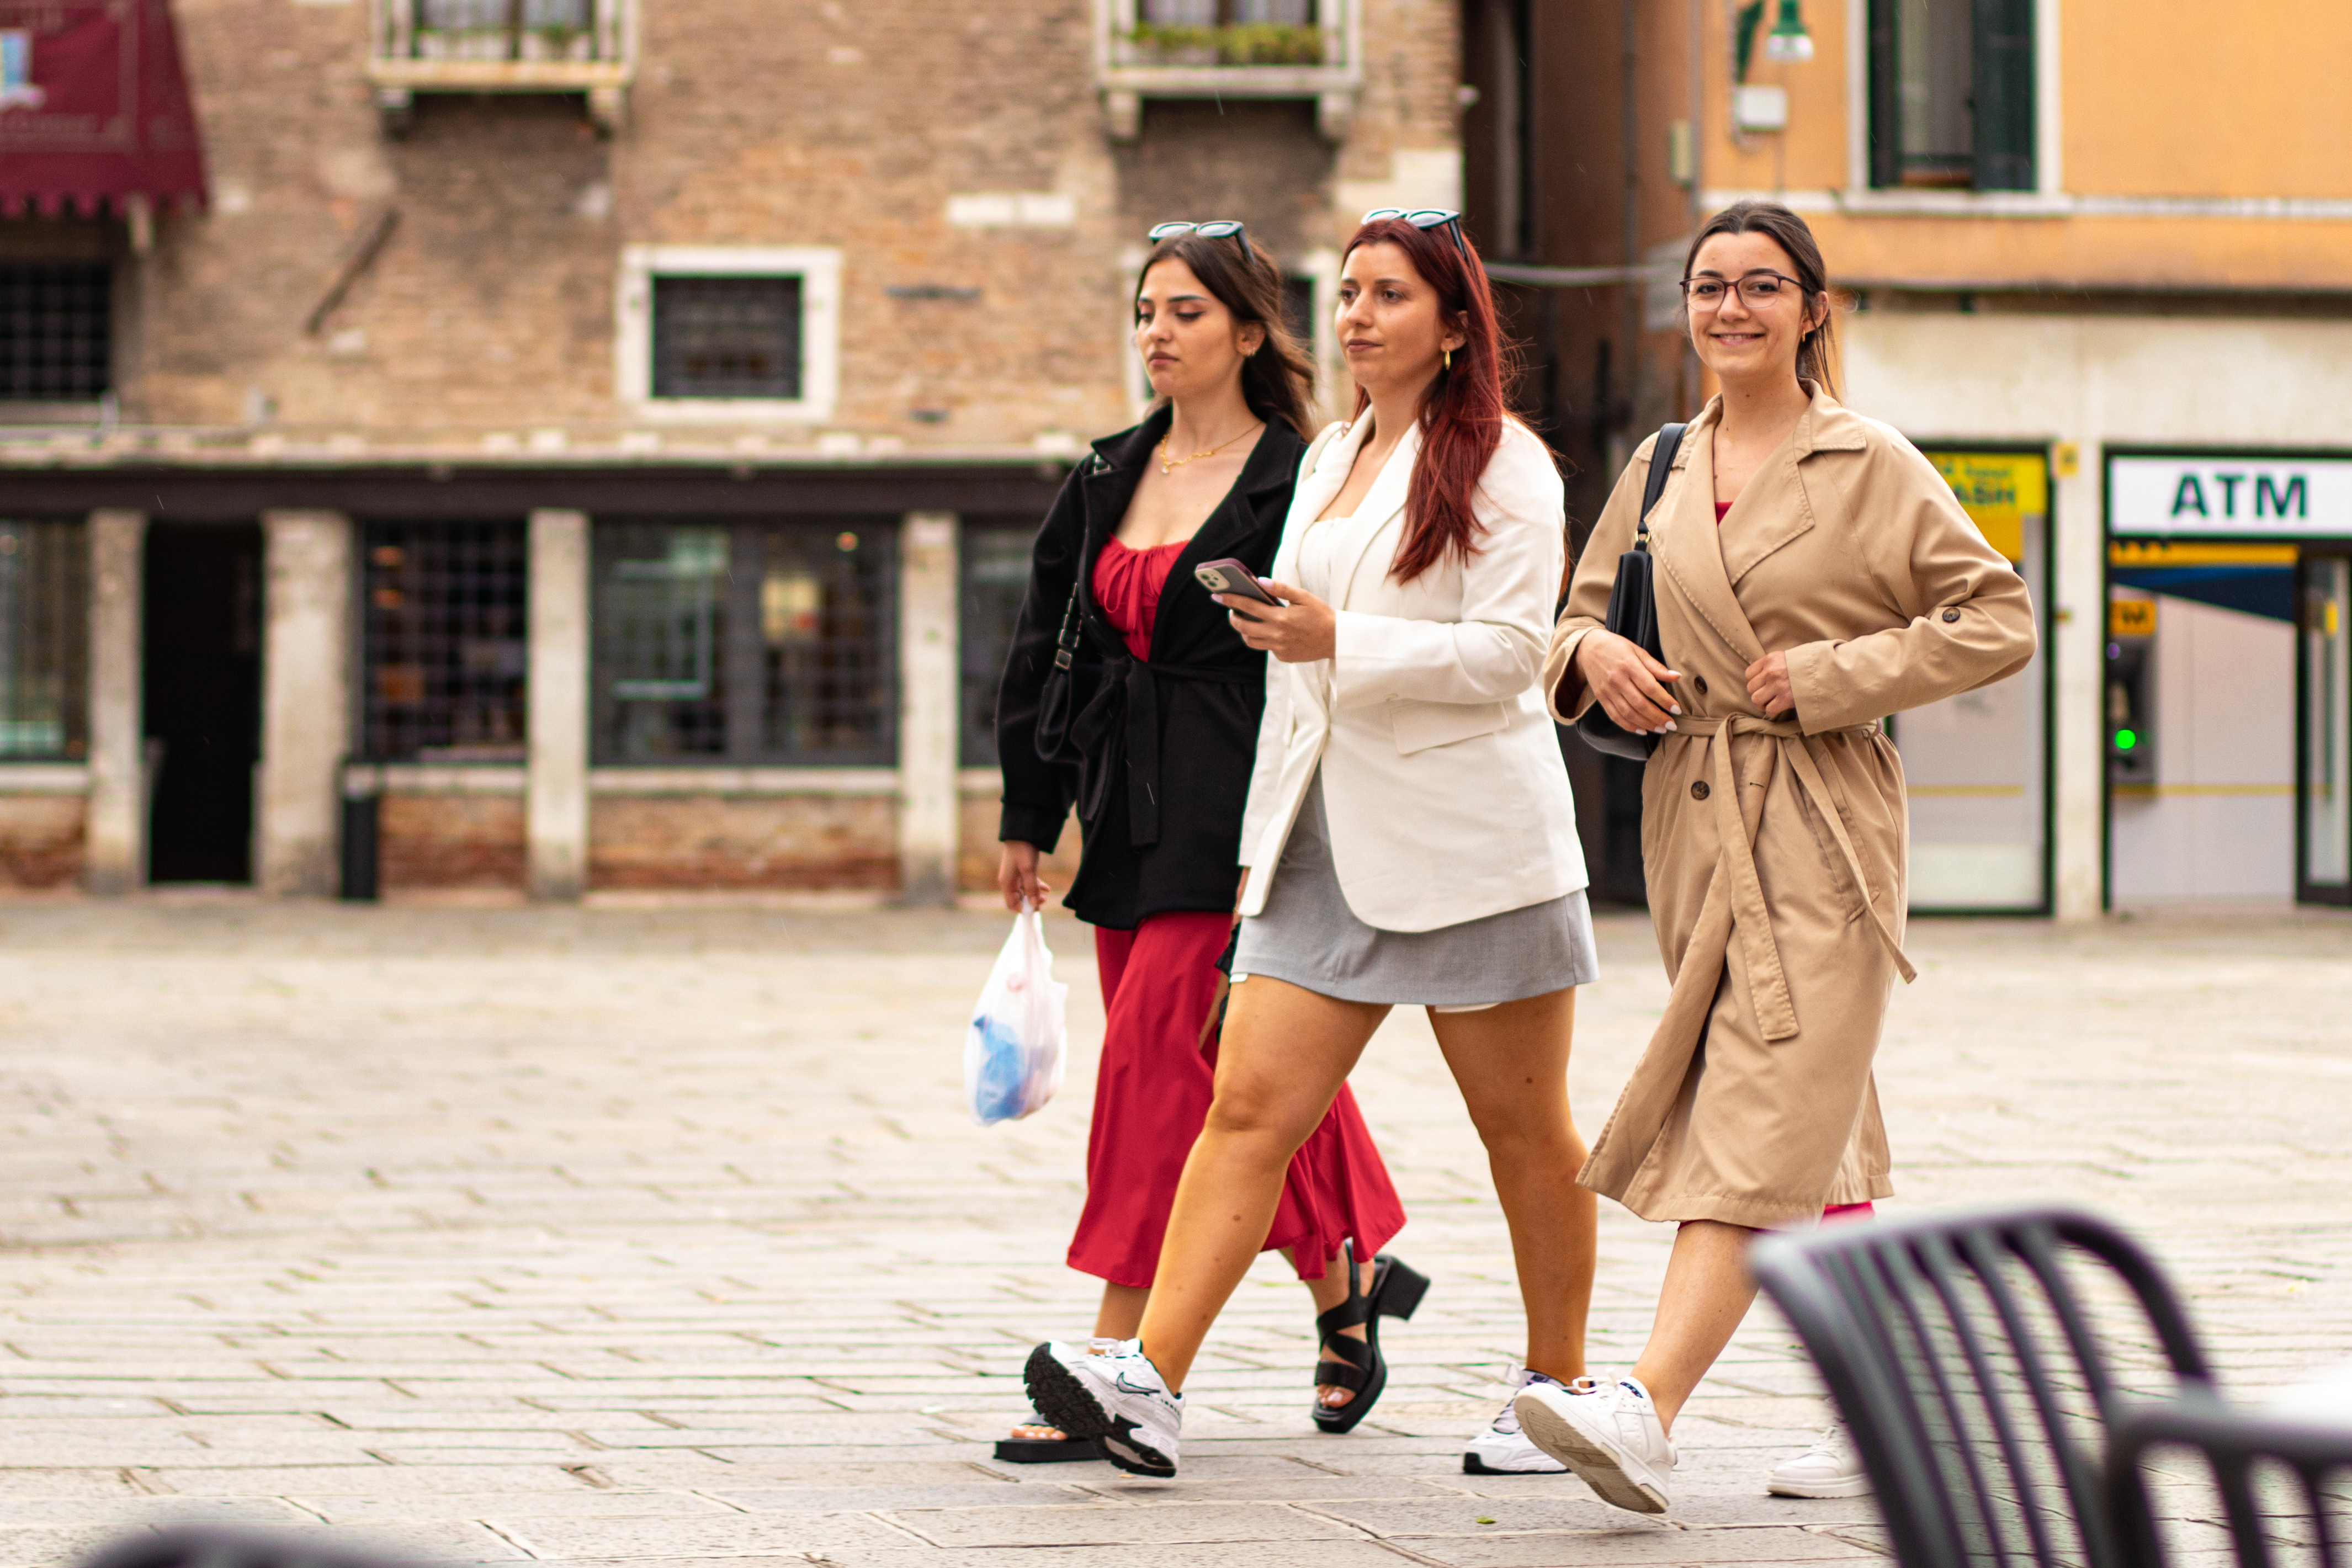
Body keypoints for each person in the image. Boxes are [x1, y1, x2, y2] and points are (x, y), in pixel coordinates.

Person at [1024, 210, 1600, 1480]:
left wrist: (1342, 637)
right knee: (1244, 1107)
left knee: (1524, 1131)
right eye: (1344, 293)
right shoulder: (1335, 451)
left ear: (1454, 327)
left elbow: (1510, 655)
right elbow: (1288, 673)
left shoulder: (1506, 462)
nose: (1355, 315)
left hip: (1471, 844)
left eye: (1389, 295)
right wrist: (1255, 848)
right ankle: (1151, 1381)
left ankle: (1556, 1385)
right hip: (1318, 841)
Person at [1512, 199, 2037, 1513]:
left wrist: (1837, 673)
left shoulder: (1868, 461)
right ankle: (1891, 1412)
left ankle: (1644, 1401)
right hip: (1694, 822)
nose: (1729, 307)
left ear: (1813, 308)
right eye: (1707, 286)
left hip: (1824, 824)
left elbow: (1997, 614)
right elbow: (1569, 618)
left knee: (1757, 1110)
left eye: (1760, 285)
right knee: (1815, 1122)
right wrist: (1595, 658)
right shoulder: (1657, 464)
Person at [992, 219, 1415, 1458]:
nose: (1156, 335)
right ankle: (1348, 1278)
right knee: (1235, 1067)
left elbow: (1334, 640)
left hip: (1247, 807)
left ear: (1245, 330)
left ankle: (1117, 1352)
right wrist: (1031, 809)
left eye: (1183, 312)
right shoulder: (1105, 470)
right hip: (1125, 813)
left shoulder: (1301, 475)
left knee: (1156, 1076)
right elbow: (1041, 648)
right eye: (1144, 313)